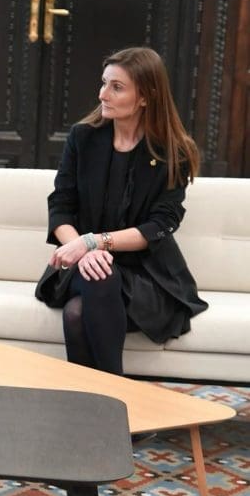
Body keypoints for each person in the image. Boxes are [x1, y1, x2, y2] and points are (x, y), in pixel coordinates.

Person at [35, 47, 208, 375]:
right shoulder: (83, 138)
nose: (103, 94)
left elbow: (160, 224)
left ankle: (91, 403)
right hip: (82, 264)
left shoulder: (174, 152)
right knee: (99, 275)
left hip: (145, 275)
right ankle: (121, 397)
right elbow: (60, 207)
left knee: (76, 312)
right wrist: (83, 249)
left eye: (117, 87)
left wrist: (94, 242)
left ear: (145, 96)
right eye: (104, 83)